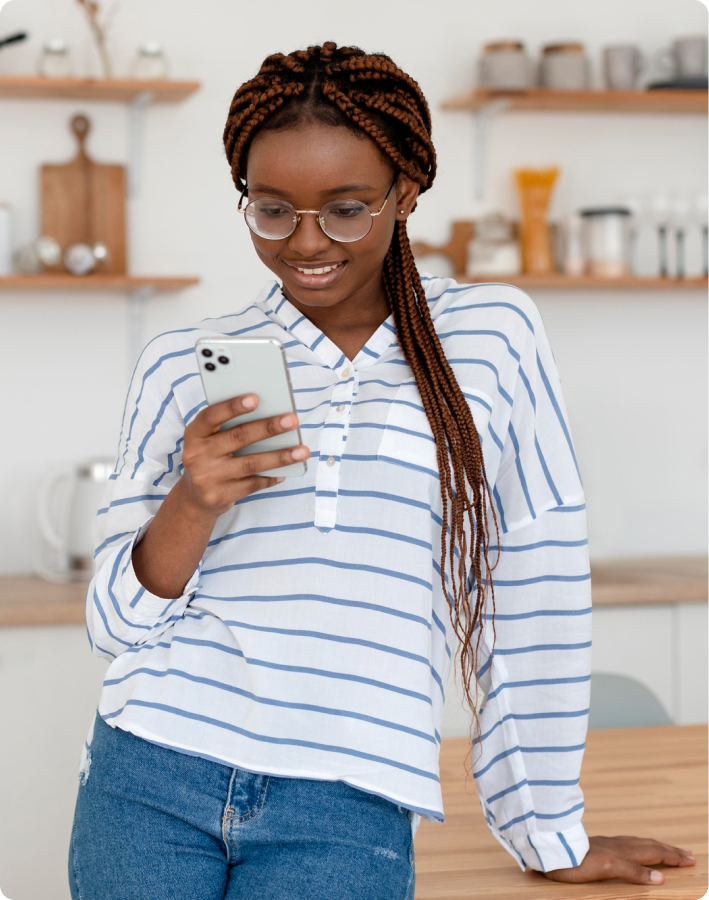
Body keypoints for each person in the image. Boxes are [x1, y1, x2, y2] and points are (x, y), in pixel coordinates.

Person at [68, 41, 695, 900]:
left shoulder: (490, 338)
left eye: (346, 209)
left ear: (405, 194)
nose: (306, 243)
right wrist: (196, 497)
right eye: (273, 210)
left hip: (348, 799)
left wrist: (545, 827)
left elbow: (530, 588)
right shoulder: (186, 362)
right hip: (148, 777)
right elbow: (111, 625)